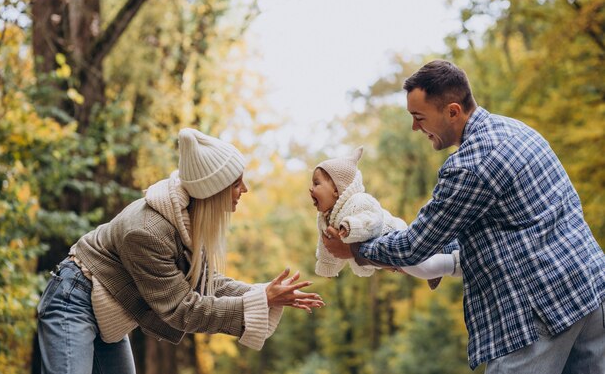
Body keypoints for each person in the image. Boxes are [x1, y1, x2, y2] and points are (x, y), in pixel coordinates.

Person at [322, 60, 605, 372]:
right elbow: (497, 224)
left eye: (419, 117)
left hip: (542, 309)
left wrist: (356, 251)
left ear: (452, 111)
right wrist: (440, 255)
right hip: (590, 291)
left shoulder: (471, 165)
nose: (415, 127)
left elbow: (415, 245)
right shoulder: (518, 131)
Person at [36, 128, 325, 374]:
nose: (245, 189)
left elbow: (209, 285)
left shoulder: (185, 219)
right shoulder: (148, 231)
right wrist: (260, 299)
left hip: (106, 310)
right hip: (73, 300)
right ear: (214, 190)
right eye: (237, 183)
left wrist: (266, 294)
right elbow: (180, 308)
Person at [310, 146, 461, 289]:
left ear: (336, 190)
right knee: (416, 268)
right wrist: (327, 268)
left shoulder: (358, 201)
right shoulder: (324, 219)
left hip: (394, 235)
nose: (311, 188)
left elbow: (372, 219)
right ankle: (438, 257)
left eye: (316, 183)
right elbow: (326, 246)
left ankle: (455, 262)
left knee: (424, 269)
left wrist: (350, 226)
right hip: (381, 253)